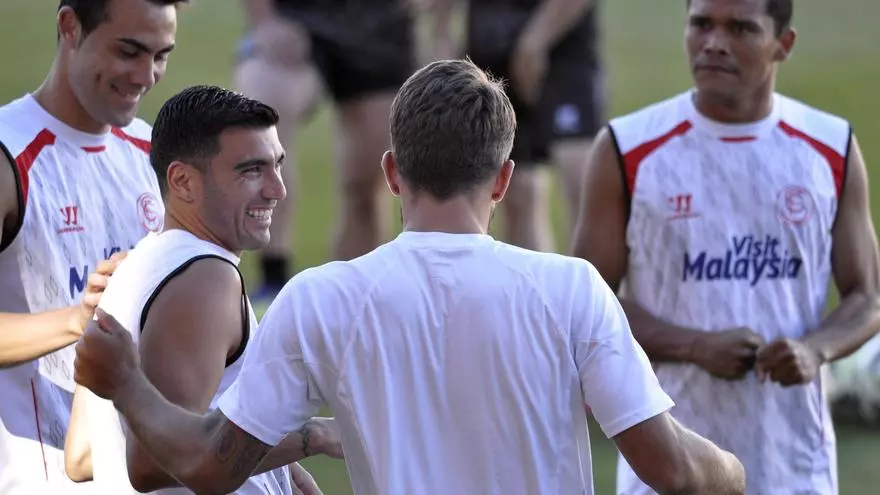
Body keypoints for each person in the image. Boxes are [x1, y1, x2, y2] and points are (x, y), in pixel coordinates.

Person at [73, 59, 745, 495]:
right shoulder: (572, 289)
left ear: (393, 172)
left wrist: (125, 382)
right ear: (503, 180)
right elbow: (674, 470)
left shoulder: (319, 298)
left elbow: (207, 465)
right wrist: (735, 471)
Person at [569, 0, 880, 493]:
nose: (714, 43)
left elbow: (868, 296)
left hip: (794, 462)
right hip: (669, 467)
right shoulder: (627, 149)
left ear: (784, 44)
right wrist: (694, 346)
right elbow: (585, 306)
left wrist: (814, 350)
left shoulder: (830, 147)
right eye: (701, 24)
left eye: (740, 28)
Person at [65, 85, 342, 495]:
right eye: (251, 170)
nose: (277, 190)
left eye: (277, 165)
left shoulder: (135, 266)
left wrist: (270, 468)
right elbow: (151, 464)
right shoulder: (206, 279)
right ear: (182, 181)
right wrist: (312, 437)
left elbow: (84, 455)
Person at [0, 0, 185, 491]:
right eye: (129, 51)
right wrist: (77, 320)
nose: (146, 76)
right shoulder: (10, 157)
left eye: (161, 55)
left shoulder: (155, 155)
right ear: (70, 26)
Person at [232, 0, 417, 300]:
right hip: (299, 19)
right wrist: (266, 21)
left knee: (368, 182)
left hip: (380, 25)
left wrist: (442, 26)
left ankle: (353, 301)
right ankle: (273, 278)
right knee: (263, 113)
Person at [430, 0, 605, 252]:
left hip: (563, 45)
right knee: (517, 191)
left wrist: (537, 39)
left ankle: (590, 276)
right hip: (491, 42)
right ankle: (530, 277)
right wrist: (442, 31)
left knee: (579, 177)